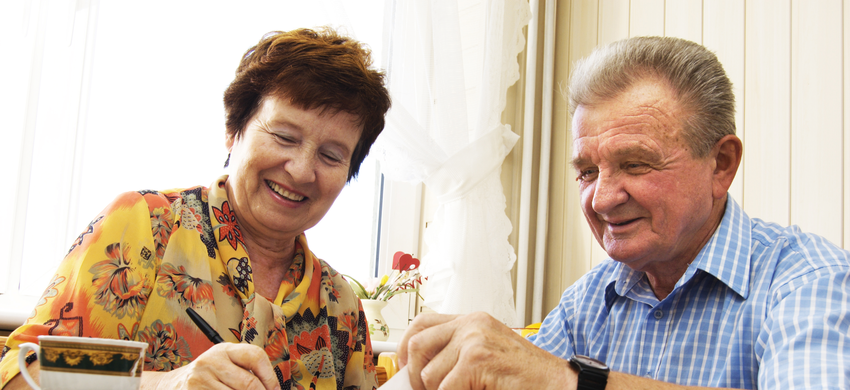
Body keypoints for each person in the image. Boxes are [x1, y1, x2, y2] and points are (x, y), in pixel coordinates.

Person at [396, 36, 850, 389]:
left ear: (721, 165)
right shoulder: (588, 302)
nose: (600, 198)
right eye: (587, 171)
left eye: (635, 164)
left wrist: (567, 381)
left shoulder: (807, 280)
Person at [0, 27, 391, 390]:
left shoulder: (341, 305)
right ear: (232, 130)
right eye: (285, 136)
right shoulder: (147, 223)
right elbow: (19, 373)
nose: (302, 170)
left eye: (331, 155)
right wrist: (167, 383)